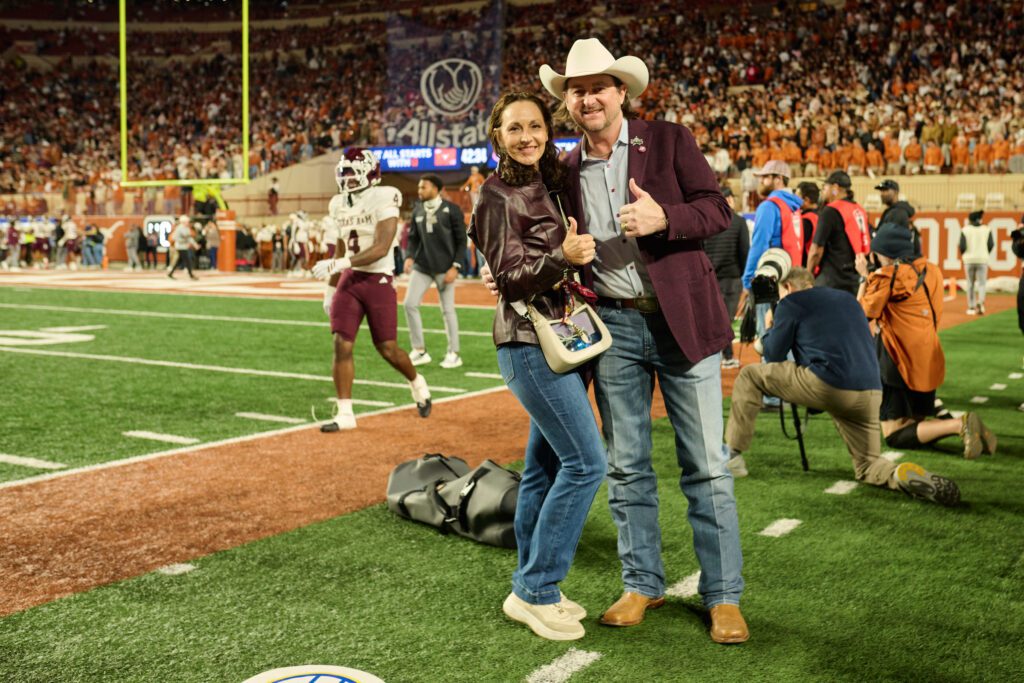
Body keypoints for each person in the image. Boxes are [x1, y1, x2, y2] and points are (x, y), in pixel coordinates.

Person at [540, 37, 747, 643]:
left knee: (707, 466)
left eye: (597, 86)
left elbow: (718, 210)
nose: (588, 98)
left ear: (621, 91)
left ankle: (724, 595)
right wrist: (565, 254)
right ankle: (642, 583)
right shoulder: (565, 168)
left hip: (681, 318)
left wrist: (666, 219)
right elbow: (564, 240)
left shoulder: (670, 140)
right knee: (625, 465)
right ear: (568, 103)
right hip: (617, 326)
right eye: (576, 90)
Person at [470, 91, 606, 642]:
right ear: (497, 136)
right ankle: (536, 590)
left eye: (535, 125)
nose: (527, 135)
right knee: (587, 463)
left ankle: (529, 585)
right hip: (529, 343)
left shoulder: (542, 183)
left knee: (546, 470)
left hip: (558, 337)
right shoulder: (496, 194)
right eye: (514, 128)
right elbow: (508, 277)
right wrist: (563, 260)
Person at [723, 267, 961, 506]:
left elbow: (773, 355)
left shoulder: (792, 302)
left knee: (749, 376)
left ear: (788, 287)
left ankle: (732, 456)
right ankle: (898, 475)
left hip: (829, 385)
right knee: (868, 465)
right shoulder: (847, 299)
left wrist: (766, 333)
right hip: (870, 391)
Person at [311, 148, 431, 432]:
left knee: (387, 348)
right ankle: (345, 413)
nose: (347, 178)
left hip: (377, 280)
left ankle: (417, 382)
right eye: (344, 172)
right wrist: (331, 287)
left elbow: (381, 247)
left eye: (352, 171)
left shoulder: (384, 195)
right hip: (350, 280)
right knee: (342, 343)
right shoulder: (338, 203)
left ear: (369, 172)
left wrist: (339, 263)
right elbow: (341, 244)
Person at [856, 223, 996, 459]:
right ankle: (964, 427)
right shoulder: (932, 270)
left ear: (882, 253)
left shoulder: (888, 277)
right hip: (928, 354)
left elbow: (859, 316)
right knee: (913, 423)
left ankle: (958, 424)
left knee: (893, 435)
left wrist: (865, 277)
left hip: (897, 359)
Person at [403, 174, 467, 370]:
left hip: (445, 267)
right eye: (419, 187)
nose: (419, 191)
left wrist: (455, 266)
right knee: (409, 304)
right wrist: (410, 256)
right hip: (423, 266)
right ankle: (419, 350)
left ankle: (454, 353)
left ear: (436, 188)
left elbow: (461, 240)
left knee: (447, 311)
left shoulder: (452, 210)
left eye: (423, 187)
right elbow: (413, 238)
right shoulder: (418, 209)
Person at [738, 160, 803, 344]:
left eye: (766, 177)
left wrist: (748, 280)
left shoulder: (769, 206)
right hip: (792, 277)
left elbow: (759, 246)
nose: (761, 181)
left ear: (779, 179)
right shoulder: (794, 207)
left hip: (770, 280)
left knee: (768, 339)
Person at [704, 187, 749, 369]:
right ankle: (726, 356)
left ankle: (719, 356)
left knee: (715, 318)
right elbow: (744, 251)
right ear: (730, 199)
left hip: (711, 277)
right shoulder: (738, 221)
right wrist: (745, 279)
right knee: (726, 320)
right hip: (732, 279)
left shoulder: (709, 221)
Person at [807, 171, 869, 295]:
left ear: (835, 188)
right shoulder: (859, 209)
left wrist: (808, 277)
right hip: (856, 281)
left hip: (833, 282)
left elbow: (816, 250)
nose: (822, 191)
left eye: (825, 187)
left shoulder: (830, 211)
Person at [959, 210, 994, 315]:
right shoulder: (987, 229)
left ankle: (971, 306)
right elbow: (991, 244)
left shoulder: (965, 230)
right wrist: (985, 253)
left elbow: (962, 246)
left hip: (969, 260)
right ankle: (981, 303)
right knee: (982, 283)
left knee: (970, 284)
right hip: (982, 259)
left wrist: (965, 255)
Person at [794, 181, 820, 268]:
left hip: (807, 266)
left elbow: (797, 245)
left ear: (806, 200)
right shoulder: (822, 214)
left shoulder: (806, 220)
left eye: (797, 196)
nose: (794, 198)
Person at [167, 215, 197, 280]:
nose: (188, 223)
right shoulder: (179, 228)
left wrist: (195, 244)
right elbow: (175, 238)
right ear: (183, 222)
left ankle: (170, 274)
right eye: (187, 222)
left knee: (179, 261)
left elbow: (189, 238)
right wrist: (184, 241)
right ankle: (191, 275)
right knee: (187, 260)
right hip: (180, 247)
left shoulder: (186, 228)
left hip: (184, 247)